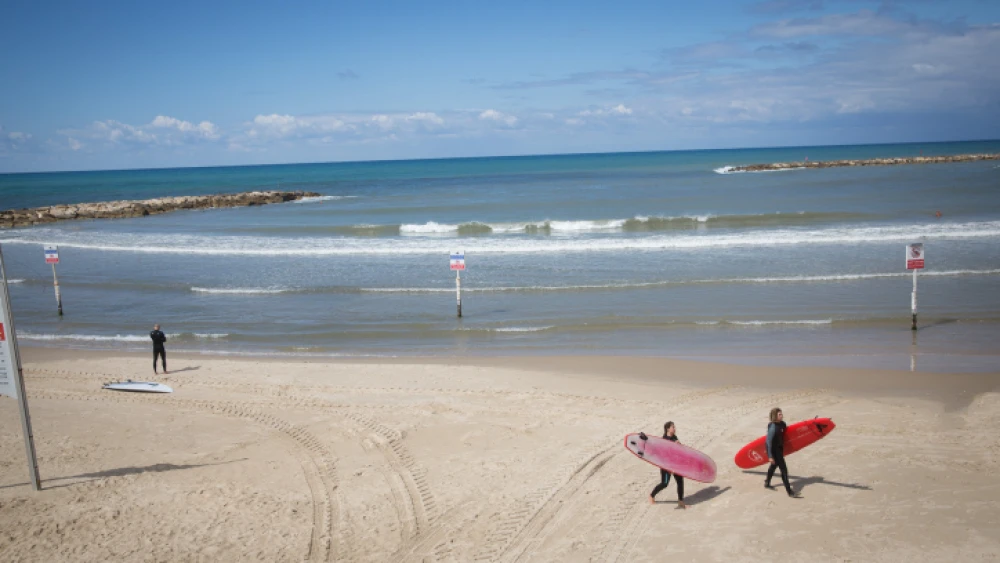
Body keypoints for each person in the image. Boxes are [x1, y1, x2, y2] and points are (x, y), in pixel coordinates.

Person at [649, 421, 686, 508]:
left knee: (680, 481)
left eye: (674, 427)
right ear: (668, 429)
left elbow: (678, 451)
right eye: (673, 427)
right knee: (665, 483)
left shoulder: (674, 437)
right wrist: (668, 468)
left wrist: (679, 444)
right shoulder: (664, 440)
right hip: (666, 465)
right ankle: (651, 495)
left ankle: (680, 501)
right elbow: (663, 456)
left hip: (675, 463)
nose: (674, 428)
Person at [765, 407, 799, 497]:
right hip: (775, 450)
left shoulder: (782, 424)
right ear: (775, 416)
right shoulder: (773, 427)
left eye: (781, 414)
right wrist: (770, 456)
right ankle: (789, 491)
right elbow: (768, 442)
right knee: (783, 470)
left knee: (773, 466)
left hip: (780, 448)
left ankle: (767, 483)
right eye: (779, 414)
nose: (781, 415)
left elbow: (787, 434)